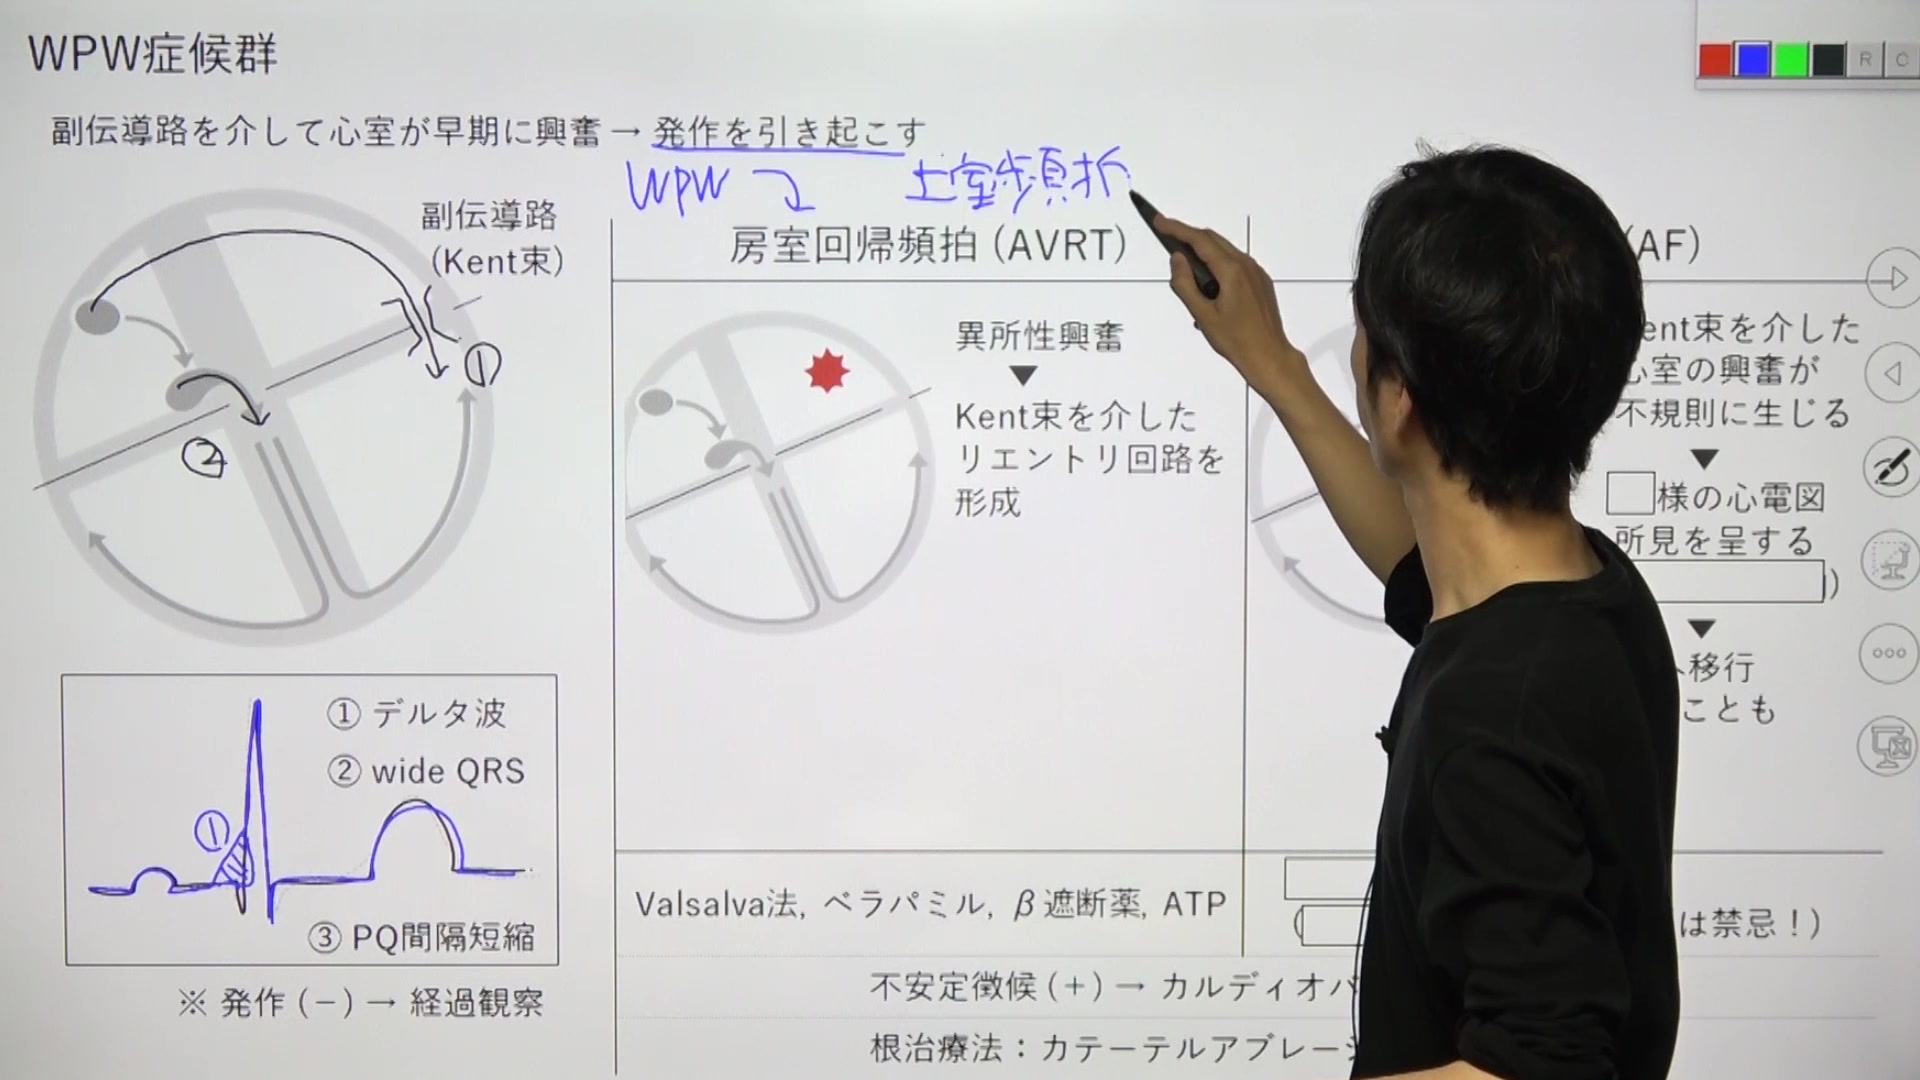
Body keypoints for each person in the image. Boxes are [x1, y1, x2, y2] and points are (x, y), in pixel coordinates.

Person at [1156, 143, 1682, 1080]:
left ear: (1397, 395)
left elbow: (1547, 1061)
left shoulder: (1491, 712)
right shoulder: (1586, 591)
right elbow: (1417, 563)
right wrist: (1272, 362)